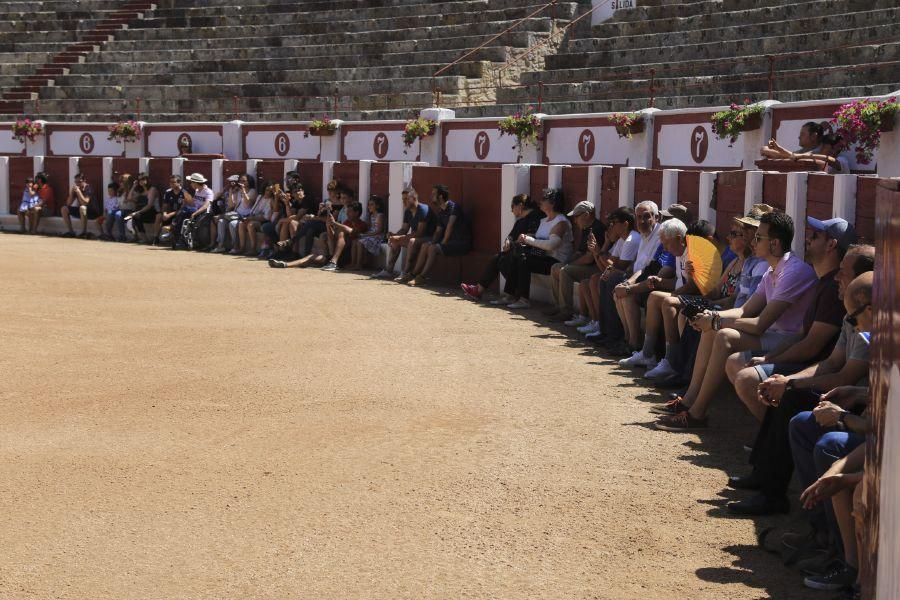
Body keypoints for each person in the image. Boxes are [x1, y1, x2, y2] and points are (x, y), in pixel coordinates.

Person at [724, 272, 872, 517]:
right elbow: (831, 363)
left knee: (791, 399)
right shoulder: (853, 317)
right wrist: (788, 381)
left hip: (860, 408)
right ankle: (764, 477)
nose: (838, 278)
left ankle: (773, 494)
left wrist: (792, 386)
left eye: (844, 273)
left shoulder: (872, 328)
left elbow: (845, 376)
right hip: (855, 399)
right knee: (783, 391)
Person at [654, 211, 819, 431]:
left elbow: (760, 323)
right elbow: (743, 310)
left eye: (759, 237)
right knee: (715, 330)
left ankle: (697, 413)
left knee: (722, 334)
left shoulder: (793, 271)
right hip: (775, 335)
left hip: (791, 340)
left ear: (775, 244)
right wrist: (713, 317)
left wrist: (715, 321)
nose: (753, 241)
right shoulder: (774, 269)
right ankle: (690, 402)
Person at [726, 219, 861, 421]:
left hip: (815, 371)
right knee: (736, 362)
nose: (807, 239)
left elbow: (811, 346)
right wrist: (768, 358)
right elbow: (801, 335)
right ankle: (770, 433)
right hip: (806, 362)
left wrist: (777, 365)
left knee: (747, 378)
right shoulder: (822, 281)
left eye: (815, 236)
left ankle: (776, 440)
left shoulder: (834, 288)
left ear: (831, 245)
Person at [647, 207, 772, 387]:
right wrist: (700, 289)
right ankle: (677, 367)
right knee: (689, 312)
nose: (732, 237)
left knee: (691, 313)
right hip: (728, 308)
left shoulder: (752, 263)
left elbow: (735, 302)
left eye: (737, 233)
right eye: (738, 232)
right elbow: (715, 290)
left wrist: (709, 306)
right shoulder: (740, 262)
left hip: (733, 312)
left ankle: (681, 372)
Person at [621, 218, 696, 374]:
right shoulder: (678, 253)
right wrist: (660, 281)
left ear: (678, 238)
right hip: (683, 294)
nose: (665, 248)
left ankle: (670, 360)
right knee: (655, 295)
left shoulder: (692, 254)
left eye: (666, 243)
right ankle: (648, 353)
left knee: (666, 301)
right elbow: (678, 281)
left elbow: (693, 286)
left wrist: (674, 293)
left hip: (694, 296)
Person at [610, 200, 670, 356]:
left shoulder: (659, 237)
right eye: (638, 217)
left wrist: (630, 286)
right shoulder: (644, 234)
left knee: (626, 296)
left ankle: (634, 343)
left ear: (656, 218)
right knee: (619, 292)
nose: (642, 221)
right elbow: (640, 266)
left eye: (646, 217)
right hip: (640, 278)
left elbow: (650, 270)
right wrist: (628, 282)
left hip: (652, 283)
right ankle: (628, 338)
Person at [497, 188, 573, 309]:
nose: (540, 201)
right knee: (517, 256)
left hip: (556, 260)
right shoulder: (544, 220)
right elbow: (540, 238)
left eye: (544, 199)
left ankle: (523, 299)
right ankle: (510, 295)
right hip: (543, 257)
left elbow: (551, 245)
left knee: (524, 259)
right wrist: (528, 236)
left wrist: (528, 240)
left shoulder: (561, 221)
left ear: (552, 203)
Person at [460, 193, 544, 302]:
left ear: (520, 206)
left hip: (530, 253)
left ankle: (484, 290)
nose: (511, 210)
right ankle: (480, 290)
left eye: (512, 206)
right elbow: (510, 236)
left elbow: (531, 237)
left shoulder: (535, 217)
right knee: (499, 258)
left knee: (500, 259)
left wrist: (514, 243)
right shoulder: (520, 221)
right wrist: (508, 241)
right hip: (517, 252)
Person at [577, 207, 640, 341]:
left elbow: (618, 267)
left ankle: (609, 332)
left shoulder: (631, 240)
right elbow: (605, 267)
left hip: (627, 278)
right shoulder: (622, 240)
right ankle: (602, 327)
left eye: (614, 222)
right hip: (617, 275)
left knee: (599, 279)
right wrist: (598, 251)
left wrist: (598, 252)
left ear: (625, 224)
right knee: (597, 278)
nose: (611, 226)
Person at [544, 200, 606, 325]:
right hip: (587, 266)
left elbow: (589, 258)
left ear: (586, 215)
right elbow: (579, 252)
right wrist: (566, 261)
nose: (575, 221)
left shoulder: (597, 229)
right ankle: (559, 306)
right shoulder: (586, 228)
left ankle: (567, 311)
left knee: (565, 271)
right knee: (556, 266)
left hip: (598, 267)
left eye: (576, 217)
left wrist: (568, 265)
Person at [404, 184, 472, 286]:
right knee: (426, 245)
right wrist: (432, 242)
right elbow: (438, 231)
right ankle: (413, 274)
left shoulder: (454, 207)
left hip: (461, 242)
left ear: (440, 196)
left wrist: (442, 243)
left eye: (434, 194)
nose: (431, 196)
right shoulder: (441, 212)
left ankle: (422, 277)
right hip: (451, 242)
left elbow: (450, 226)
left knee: (432, 248)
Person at [373, 188, 435, 279]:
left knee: (412, 241)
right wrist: (394, 235)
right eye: (403, 199)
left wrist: (400, 237)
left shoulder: (423, 209)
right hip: (417, 238)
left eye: (406, 199)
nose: (404, 202)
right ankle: (389, 270)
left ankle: (406, 272)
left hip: (429, 238)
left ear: (414, 198)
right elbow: (404, 229)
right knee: (395, 241)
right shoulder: (408, 212)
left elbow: (420, 233)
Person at [320, 201, 368, 271]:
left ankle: (333, 262)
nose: (347, 213)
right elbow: (332, 237)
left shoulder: (362, 224)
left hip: (350, 254)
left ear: (356, 213)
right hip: (339, 251)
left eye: (350, 211)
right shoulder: (347, 222)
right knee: (324, 235)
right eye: (347, 211)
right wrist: (328, 225)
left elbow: (352, 231)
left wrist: (334, 223)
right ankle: (331, 260)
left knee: (341, 232)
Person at [349, 195, 387, 270]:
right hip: (371, 235)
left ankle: (359, 264)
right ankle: (353, 263)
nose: (369, 206)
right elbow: (370, 228)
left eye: (371, 204)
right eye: (368, 204)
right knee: (355, 241)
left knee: (360, 242)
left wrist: (366, 235)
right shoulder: (372, 215)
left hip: (378, 236)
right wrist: (364, 234)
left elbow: (379, 231)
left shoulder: (380, 215)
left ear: (377, 206)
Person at [60, 173, 97, 238]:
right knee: (64, 208)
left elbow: (85, 203)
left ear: (84, 181)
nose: (77, 184)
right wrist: (72, 193)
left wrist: (79, 192)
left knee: (82, 207)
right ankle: (71, 232)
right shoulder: (76, 189)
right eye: (76, 182)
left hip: (92, 212)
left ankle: (84, 232)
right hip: (81, 211)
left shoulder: (88, 188)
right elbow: (68, 203)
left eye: (79, 182)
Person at [127, 173, 161, 243]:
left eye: (143, 179)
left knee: (136, 216)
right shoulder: (141, 191)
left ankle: (143, 239)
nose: (141, 181)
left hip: (153, 212)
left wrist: (137, 212)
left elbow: (149, 205)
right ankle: (139, 237)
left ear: (147, 180)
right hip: (143, 212)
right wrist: (133, 186)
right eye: (139, 180)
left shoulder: (152, 189)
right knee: (130, 218)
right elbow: (129, 198)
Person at [156, 175, 185, 245]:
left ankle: (174, 239)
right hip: (169, 213)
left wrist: (169, 215)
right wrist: (165, 213)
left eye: (173, 182)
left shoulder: (184, 193)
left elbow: (182, 208)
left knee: (178, 216)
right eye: (170, 182)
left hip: (179, 214)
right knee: (158, 216)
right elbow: (165, 205)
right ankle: (156, 238)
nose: (171, 184)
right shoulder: (168, 192)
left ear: (179, 183)